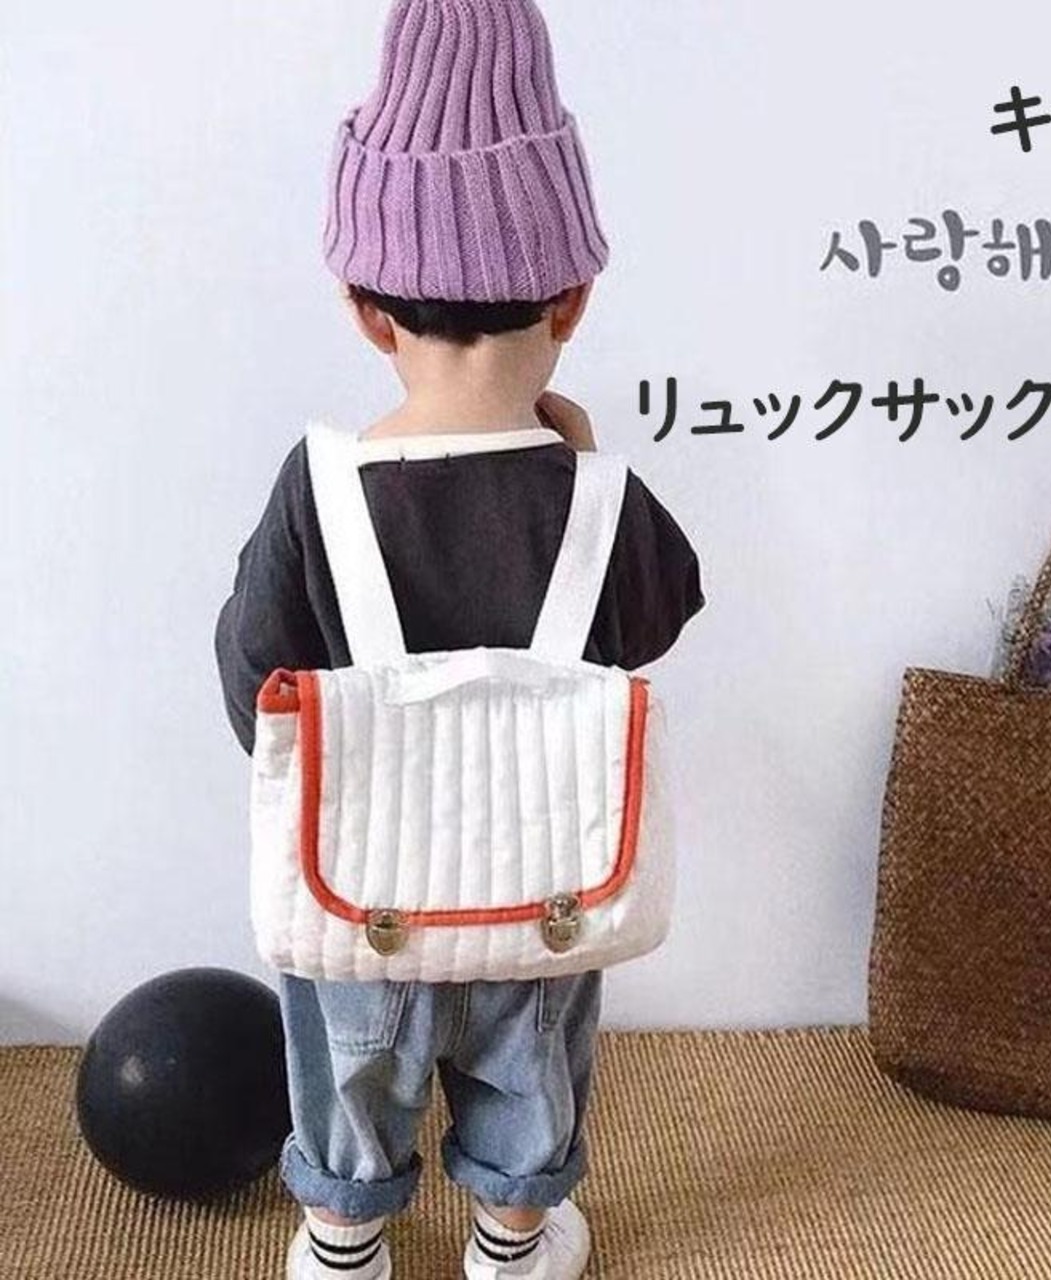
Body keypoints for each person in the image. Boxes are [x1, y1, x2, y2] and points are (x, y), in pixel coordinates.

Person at [213, 2, 704, 1278]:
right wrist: (583, 466)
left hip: (359, 888)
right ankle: (510, 1238)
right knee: (529, 1063)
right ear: (573, 298)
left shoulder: (317, 490)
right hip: (543, 889)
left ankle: (343, 1240)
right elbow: (653, 618)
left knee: (350, 1066)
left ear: (366, 311)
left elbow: (251, 677)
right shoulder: (596, 498)